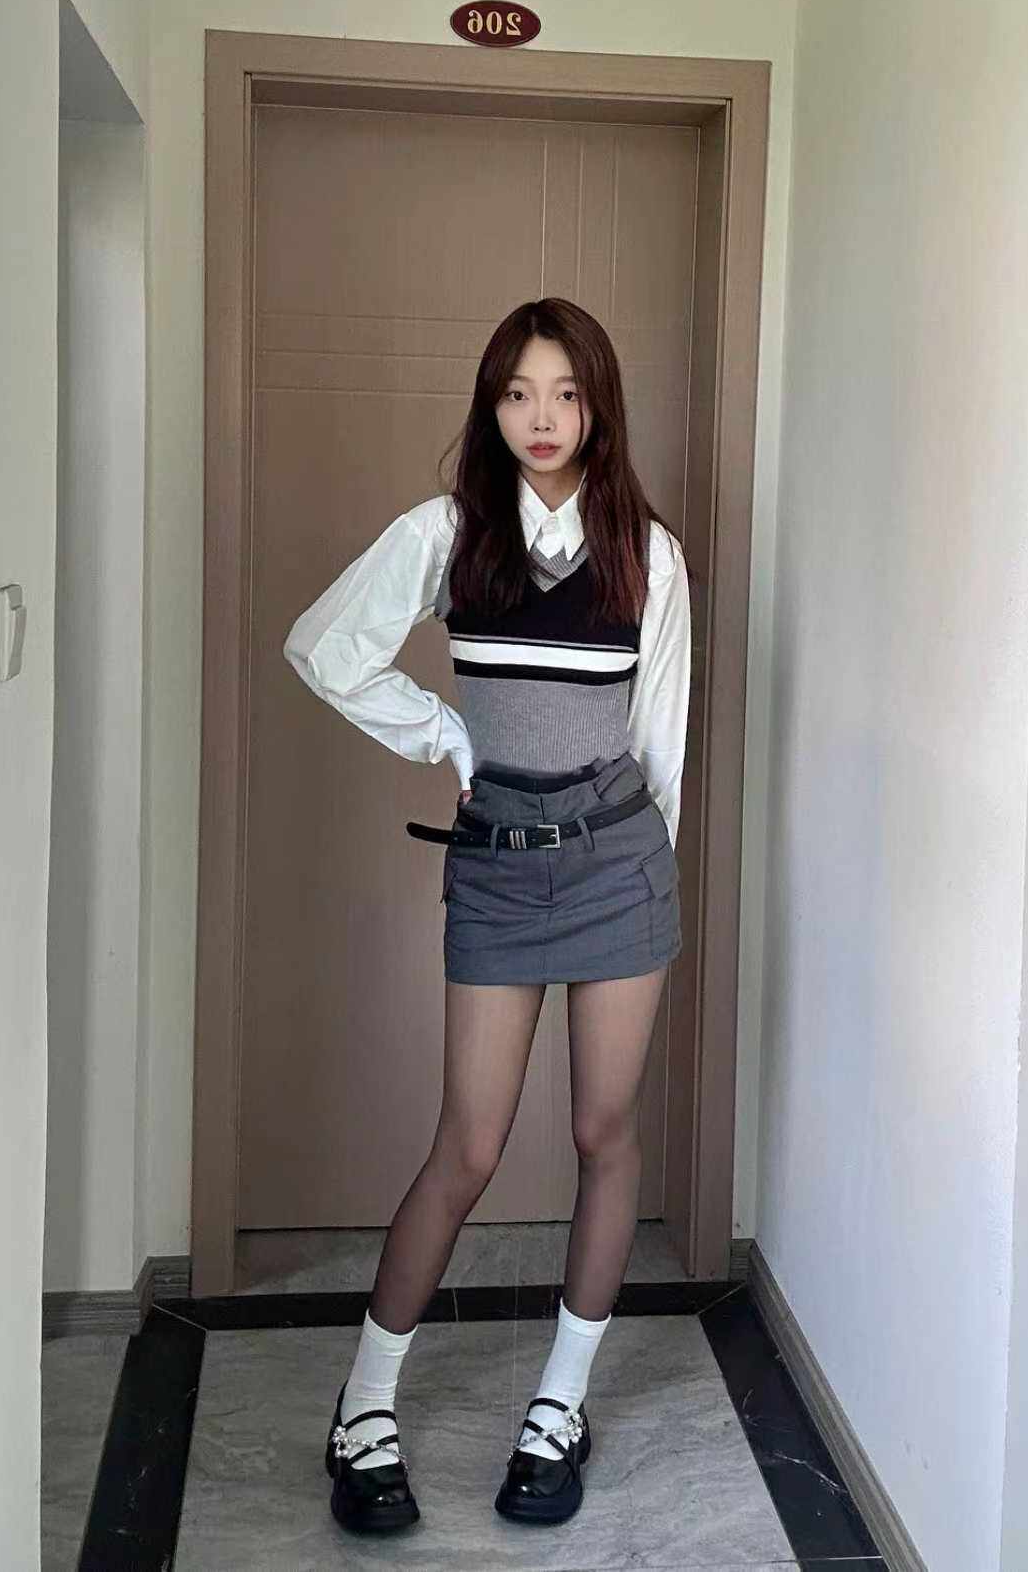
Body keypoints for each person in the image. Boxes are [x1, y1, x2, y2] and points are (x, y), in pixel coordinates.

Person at [282, 296, 691, 1535]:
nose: (541, 417)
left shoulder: (648, 554)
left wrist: (645, 872)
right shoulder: (448, 531)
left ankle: (558, 1406)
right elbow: (323, 646)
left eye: (565, 392)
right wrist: (446, 735)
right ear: (490, 405)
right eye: (517, 392)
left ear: (598, 404)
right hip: (501, 870)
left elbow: (660, 745)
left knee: (603, 1130)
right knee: (466, 1147)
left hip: (618, 863)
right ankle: (362, 1406)